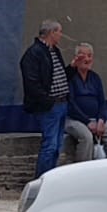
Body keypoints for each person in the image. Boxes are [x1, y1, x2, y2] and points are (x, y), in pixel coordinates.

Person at [19, 19, 70, 177]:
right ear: (51, 33)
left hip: (61, 103)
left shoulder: (53, 50)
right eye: (59, 31)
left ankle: (51, 177)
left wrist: (73, 68)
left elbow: (59, 76)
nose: (61, 35)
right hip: (49, 106)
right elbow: (32, 83)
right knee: (50, 145)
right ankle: (42, 179)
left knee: (57, 146)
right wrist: (48, 101)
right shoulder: (34, 53)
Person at [63, 42, 107, 162]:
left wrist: (101, 120)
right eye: (83, 56)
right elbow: (70, 104)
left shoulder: (95, 77)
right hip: (74, 119)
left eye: (90, 56)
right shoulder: (71, 77)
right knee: (86, 137)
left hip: (95, 119)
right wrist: (87, 122)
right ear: (76, 58)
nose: (87, 59)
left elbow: (102, 102)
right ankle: (83, 172)